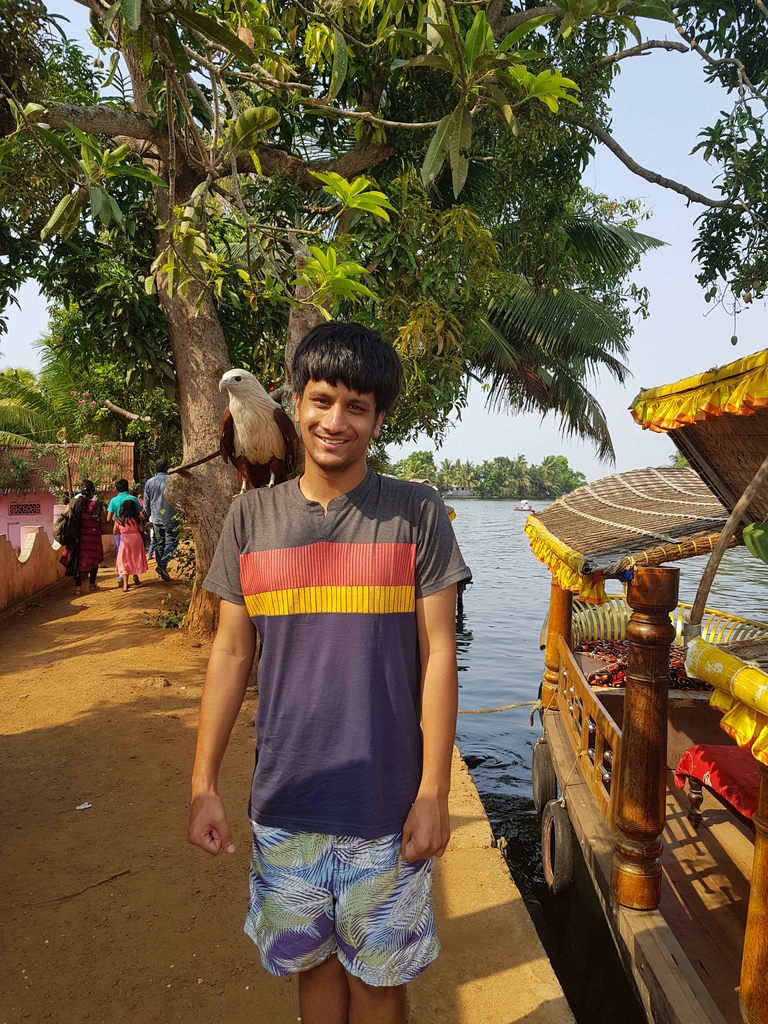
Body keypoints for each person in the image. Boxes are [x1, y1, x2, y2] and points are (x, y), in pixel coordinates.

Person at [188, 322, 471, 1024]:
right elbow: (230, 654)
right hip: (285, 803)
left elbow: (439, 653)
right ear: (295, 401)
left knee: (379, 986)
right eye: (321, 400)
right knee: (310, 972)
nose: (334, 421)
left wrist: (434, 790)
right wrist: (202, 785)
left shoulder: (416, 513)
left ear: (378, 419)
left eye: (356, 406)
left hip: (385, 804)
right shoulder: (250, 519)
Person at [61, 479, 106, 597]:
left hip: (78, 537)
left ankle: (78, 588)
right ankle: (92, 584)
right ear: (92, 492)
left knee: (76, 560)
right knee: (94, 560)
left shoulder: (73, 503)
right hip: (93, 537)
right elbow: (103, 520)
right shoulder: (96, 505)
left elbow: (66, 514)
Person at [142, 458, 178, 581]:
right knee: (172, 542)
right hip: (171, 517)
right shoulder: (173, 480)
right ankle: (162, 566)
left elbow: (146, 503)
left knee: (159, 544)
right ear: (167, 468)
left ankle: (160, 573)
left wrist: (147, 514)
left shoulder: (149, 482)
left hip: (156, 518)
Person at [106, 479, 142, 587]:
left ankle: (121, 577)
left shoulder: (114, 500)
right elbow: (139, 514)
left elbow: (108, 518)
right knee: (135, 554)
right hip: (134, 529)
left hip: (120, 530)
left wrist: (117, 521)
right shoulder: (134, 499)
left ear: (117, 489)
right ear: (128, 487)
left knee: (121, 555)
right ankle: (135, 575)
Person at [113, 500, 148, 592]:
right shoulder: (137, 518)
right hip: (136, 539)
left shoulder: (118, 519)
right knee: (135, 558)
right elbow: (141, 529)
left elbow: (114, 532)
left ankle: (125, 585)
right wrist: (148, 526)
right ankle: (136, 577)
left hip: (125, 540)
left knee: (125, 560)